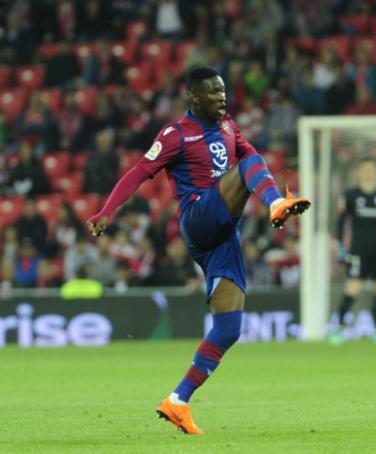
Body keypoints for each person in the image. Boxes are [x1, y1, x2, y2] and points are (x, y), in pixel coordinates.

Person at [86, 66, 310, 434]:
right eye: (213, 93)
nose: (222, 98)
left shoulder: (227, 125)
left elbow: (249, 153)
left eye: (223, 91)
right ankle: (274, 204)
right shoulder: (176, 134)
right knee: (249, 163)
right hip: (199, 217)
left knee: (229, 327)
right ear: (194, 97)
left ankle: (177, 401)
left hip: (224, 234)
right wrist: (107, 210)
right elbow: (139, 172)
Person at [330, 158, 376, 347]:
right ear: (359, 173)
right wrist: (341, 246)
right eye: (365, 169)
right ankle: (338, 328)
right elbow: (341, 222)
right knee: (353, 287)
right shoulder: (351, 195)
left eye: (371, 169)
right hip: (358, 249)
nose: (368, 173)